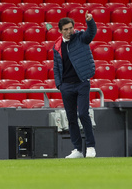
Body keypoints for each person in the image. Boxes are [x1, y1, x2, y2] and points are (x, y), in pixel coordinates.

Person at [53, 11, 97, 158]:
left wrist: (90, 21)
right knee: (71, 118)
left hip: (82, 83)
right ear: (60, 30)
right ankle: (77, 149)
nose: (69, 31)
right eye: (65, 29)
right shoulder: (57, 46)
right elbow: (56, 66)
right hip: (66, 86)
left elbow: (91, 33)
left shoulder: (80, 38)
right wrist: (59, 85)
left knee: (83, 113)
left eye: (71, 28)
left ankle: (90, 147)